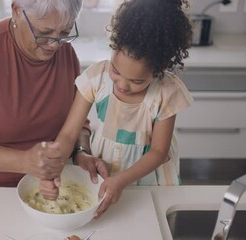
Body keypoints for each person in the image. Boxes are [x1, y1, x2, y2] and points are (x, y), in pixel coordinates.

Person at [39, 0, 194, 218]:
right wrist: (53, 171)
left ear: (160, 68)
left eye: (136, 81)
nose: (121, 84)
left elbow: (159, 152)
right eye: (115, 70)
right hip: (105, 171)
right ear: (113, 48)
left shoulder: (165, 92)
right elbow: (68, 133)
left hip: (148, 180)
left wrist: (122, 179)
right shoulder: (96, 78)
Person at [0, 0, 99, 187]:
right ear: (16, 11)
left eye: (64, 32)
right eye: (43, 33)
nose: (54, 45)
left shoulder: (66, 53)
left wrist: (82, 152)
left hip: (46, 182)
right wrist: (23, 161)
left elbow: (77, 121)